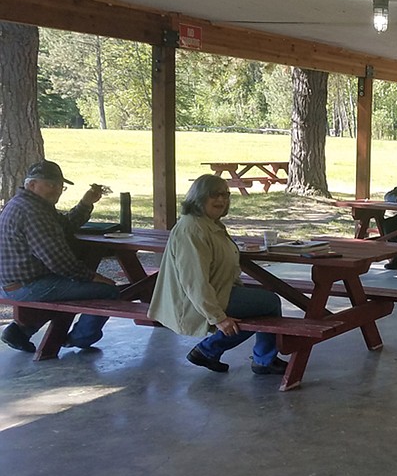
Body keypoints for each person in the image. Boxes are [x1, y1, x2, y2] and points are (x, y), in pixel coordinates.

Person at [148, 174, 286, 375]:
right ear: (199, 197)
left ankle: (233, 354)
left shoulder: (209, 224)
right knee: (269, 303)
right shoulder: (192, 230)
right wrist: (218, 318)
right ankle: (241, 356)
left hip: (217, 292)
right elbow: (193, 281)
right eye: (214, 195)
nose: (221, 200)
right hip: (192, 303)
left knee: (261, 303)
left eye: (225, 195)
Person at [0, 160, 120, 353]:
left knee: (72, 289)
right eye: (51, 185)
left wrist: (86, 203)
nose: (56, 190)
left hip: (16, 283)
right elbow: (58, 261)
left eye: (59, 186)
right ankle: (79, 339)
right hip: (26, 286)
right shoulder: (33, 212)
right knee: (108, 290)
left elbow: (66, 226)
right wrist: (93, 277)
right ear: (32, 185)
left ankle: (20, 331)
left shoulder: (28, 204)